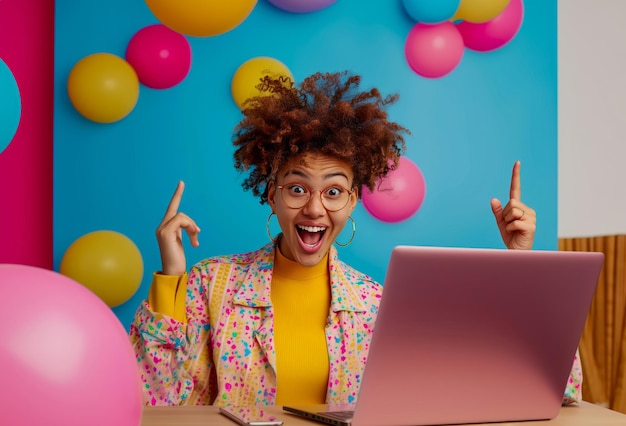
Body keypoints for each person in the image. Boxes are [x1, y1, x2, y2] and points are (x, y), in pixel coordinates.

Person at [130, 71, 581, 407]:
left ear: (352, 202)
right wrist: (171, 278)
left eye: (333, 192)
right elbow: (152, 400)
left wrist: (521, 266)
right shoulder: (210, 284)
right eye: (297, 188)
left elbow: (539, 392)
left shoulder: (377, 305)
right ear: (271, 194)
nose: (313, 209)